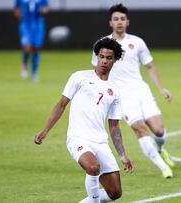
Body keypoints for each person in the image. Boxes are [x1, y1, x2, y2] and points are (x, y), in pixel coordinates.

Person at [34, 37, 134, 203]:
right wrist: (45, 131)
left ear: (115, 60)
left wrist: (122, 155)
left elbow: (114, 126)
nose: (104, 61)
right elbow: (61, 105)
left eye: (109, 58)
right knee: (93, 167)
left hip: (100, 141)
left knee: (114, 193)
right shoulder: (79, 77)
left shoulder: (115, 90)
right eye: (101, 56)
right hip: (78, 137)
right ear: (97, 56)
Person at [91, 4, 174, 178]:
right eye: (116, 19)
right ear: (110, 23)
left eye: (122, 19)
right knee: (140, 129)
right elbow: (97, 73)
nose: (119, 22)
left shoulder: (137, 42)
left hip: (141, 90)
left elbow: (149, 66)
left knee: (159, 130)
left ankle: (159, 149)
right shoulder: (103, 45)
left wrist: (161, 89)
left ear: (127, 22)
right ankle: (163, 168)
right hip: (122, 97)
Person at [14, 0, 49, 81]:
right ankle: (24, 64)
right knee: (27, 46)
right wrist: (20, 15)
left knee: (36, 47)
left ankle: (34, 73)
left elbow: (46, 8)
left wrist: (43, 10)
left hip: (38, 25)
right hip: (26, 25)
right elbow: (16, 8)